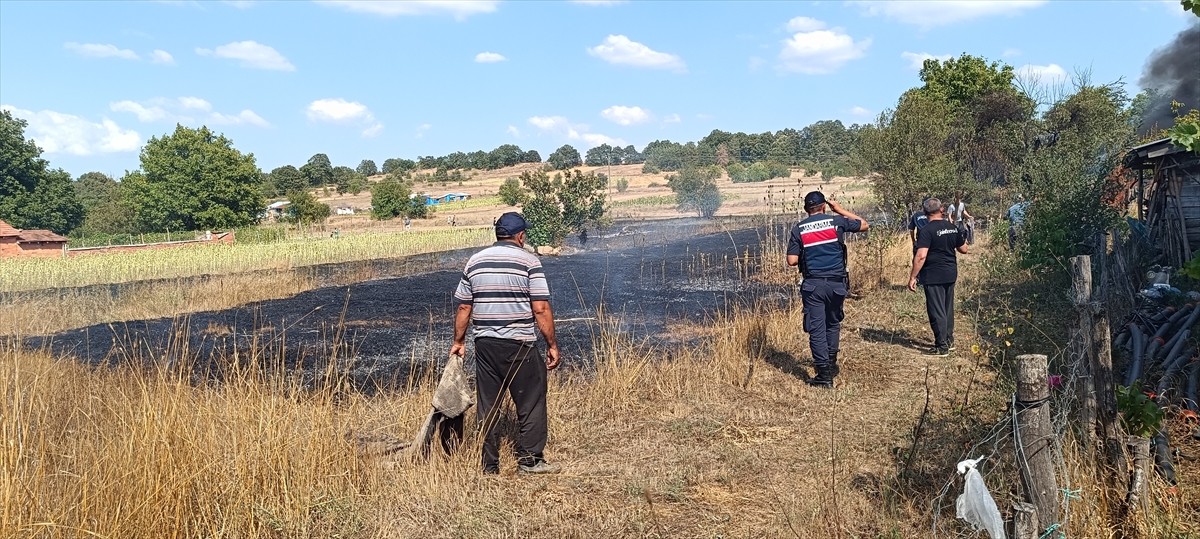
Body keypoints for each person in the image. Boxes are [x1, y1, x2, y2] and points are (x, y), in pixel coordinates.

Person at [450, 212, 562, 475]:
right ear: (520, 236)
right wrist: (552, 345)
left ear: (498, 234)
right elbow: (541, 308)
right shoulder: (529, 261)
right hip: (520, 344)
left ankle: (489, 466)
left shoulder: (474, 261)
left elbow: (465, 306)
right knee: (531, 401)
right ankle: (530, 461)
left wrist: (458, 341)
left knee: (488, 405)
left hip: (486, 345)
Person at [787, 191, 869, 388]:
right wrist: (839, 210)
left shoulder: (799, 229)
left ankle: (824, 375)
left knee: (817, 328)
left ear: (806, 210)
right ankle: (831, 363)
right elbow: (864, 224)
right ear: (824, 206)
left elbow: (792, 261)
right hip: (837, 283)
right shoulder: (837, 222)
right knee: (832, 323)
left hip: (814, 285)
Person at [908, 198, 968, 356]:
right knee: (948, 308)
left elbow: (921, 256)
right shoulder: (951, 227)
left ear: (925, 211)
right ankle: (949, 340)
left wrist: (913, 276)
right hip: (950, 273)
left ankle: (942, 346)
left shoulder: (926, 230)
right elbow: (964, 249)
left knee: (936, 309)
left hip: (933, 274)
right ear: (941, 209)